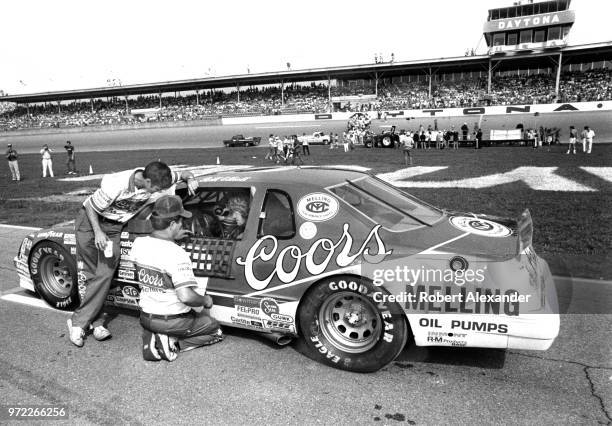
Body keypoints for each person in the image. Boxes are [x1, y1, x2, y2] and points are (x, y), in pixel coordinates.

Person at [66, 161, 198, 347]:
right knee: (91, 273)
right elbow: (90, 207)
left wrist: (190, 178)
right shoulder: (116, 183)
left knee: (104, 274)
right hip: (91, 222)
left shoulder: (159, 177)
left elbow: (183, 173)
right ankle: (90, 323)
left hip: (113, 226)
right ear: (148, 181)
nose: (157, 192)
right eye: (156, 189)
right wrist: (98, 232)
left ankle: (82, 321)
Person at [130, 195, 223, 361]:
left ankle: (155, 335)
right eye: (180, 221)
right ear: (172, 224)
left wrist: (172, 238)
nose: (183, 224)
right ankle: (172, 342)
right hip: (173, 320)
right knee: (215, 329)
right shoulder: (177, 253)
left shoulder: (138, 243)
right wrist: (205, 300)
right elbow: (186, 296)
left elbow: (157, 254)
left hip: (145, 317)